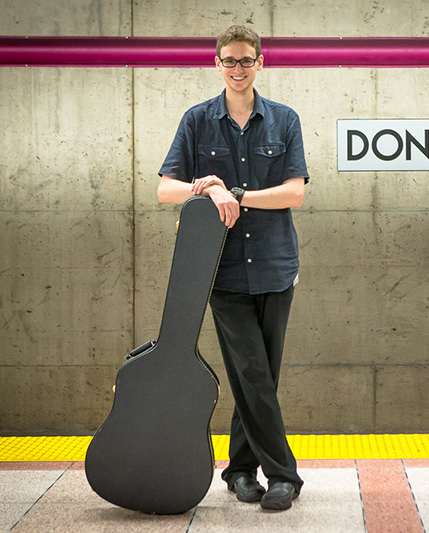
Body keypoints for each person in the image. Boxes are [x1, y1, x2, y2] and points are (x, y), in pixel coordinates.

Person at [156, 24, 308, 511]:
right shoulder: (197, 121)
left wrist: (238, 194)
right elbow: (166, 189)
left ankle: (240, 470)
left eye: (246, 60)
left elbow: (295, 192)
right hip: (220, 271)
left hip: (275, 265)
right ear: (217, 64)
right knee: (252, 371)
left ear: (260, 63)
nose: (237, 69)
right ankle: (284, 474)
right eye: (229, 61)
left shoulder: (284, 121)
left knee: (260, 373)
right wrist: (209, 187)